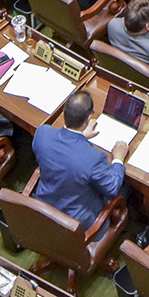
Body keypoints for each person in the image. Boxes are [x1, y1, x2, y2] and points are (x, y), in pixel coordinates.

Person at [33, 90, 128, 227]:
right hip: (75, 225)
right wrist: (118, 159)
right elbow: (112, 187)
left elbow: (60, 146)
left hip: (43, 209)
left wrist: (81, 136)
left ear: (65, 111)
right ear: (88, 119)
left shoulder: (42, 133)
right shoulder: (94, 158)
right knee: (125, 186)